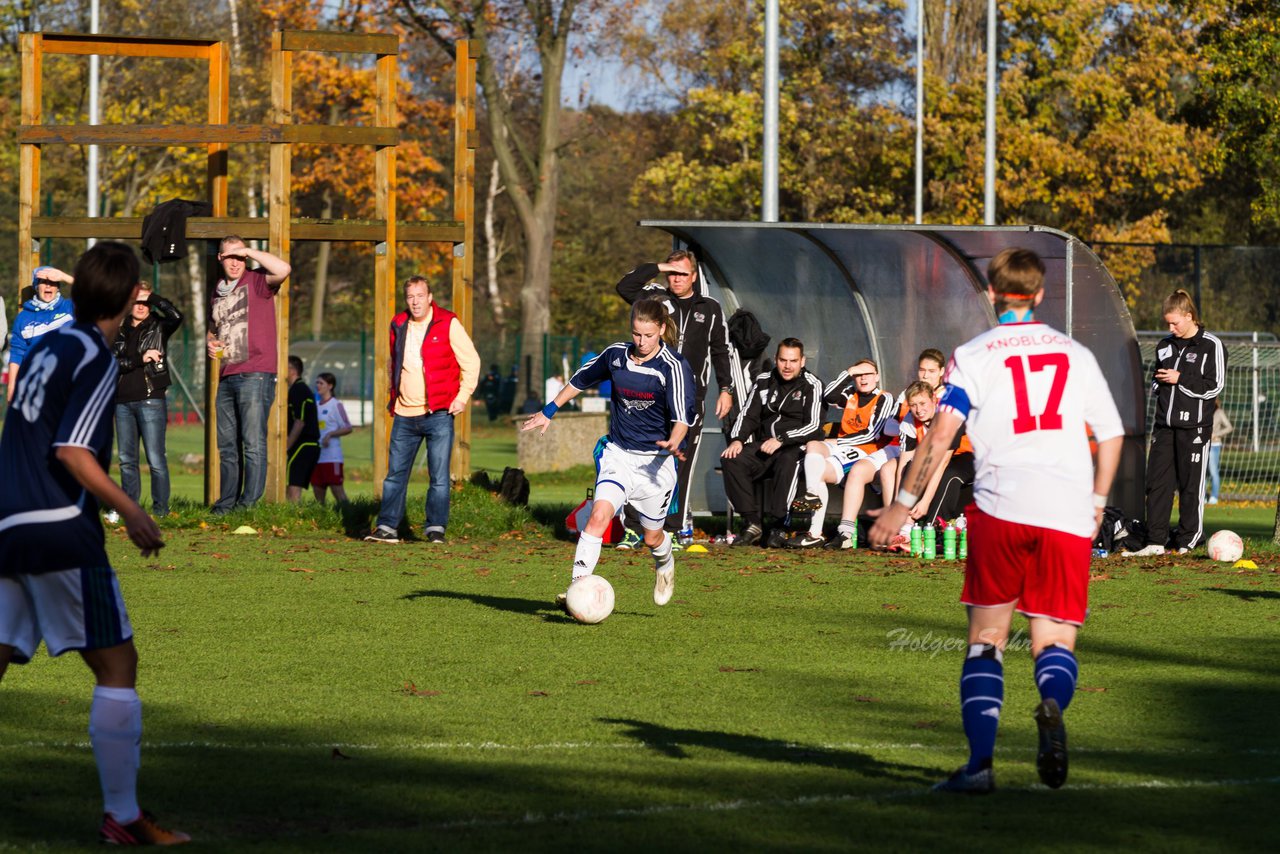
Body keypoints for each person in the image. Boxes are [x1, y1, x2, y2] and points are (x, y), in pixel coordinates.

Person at [870, 248, 1124, 794]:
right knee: (1054, 638)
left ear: (991, 294)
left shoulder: (975, 354)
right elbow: (1112, 433)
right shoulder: (1075, 354)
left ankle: (980, 767)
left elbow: (940, 436)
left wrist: (900, 503)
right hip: (1066, 510)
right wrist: (1099, 499)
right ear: (1037, 295)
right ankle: (1052, 703)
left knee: (986, 638)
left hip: (1002, 507)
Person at [0, 242, 189, 844]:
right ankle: (123, 816)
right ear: (131, 291)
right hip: (59, 527)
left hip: (7, 522)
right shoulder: (95, 357)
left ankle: (124, 816)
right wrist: (131, 509)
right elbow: (72, 451)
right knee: (116, 663)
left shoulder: (46, 346)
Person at [521, 297, 695, 607]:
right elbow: (580, 380)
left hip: (655, 465)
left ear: (662, 329)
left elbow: (682, 417)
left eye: (648, 335)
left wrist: (675, 441)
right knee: (599, 516)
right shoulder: (616, 355)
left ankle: (665, 563)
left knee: (652, 537)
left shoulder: (673, 367)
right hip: (618, 454)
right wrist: (549, 410)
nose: (641, 342)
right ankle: (577, 588)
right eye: (636, 334)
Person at [615, 250, 735, 547]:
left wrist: (726, 389)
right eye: (671, 272)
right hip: (651, 394)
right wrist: (657, 267)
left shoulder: (710, 308)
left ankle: (671, 528)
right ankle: (632, 527)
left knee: (680, 462)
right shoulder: (655, 298)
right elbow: (624, 287)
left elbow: (721, 351)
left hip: (689, 398)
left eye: (682, 273)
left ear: (694, 276)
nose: (676, 278)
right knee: (640, 459)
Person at [366, 276, 480, 544]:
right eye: (410, 297)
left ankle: (435, 528)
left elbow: (472, 362)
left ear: (430, 297)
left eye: (420, 296)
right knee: (395, 474)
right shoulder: (398, 323)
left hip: (439, 413)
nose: (415, 301)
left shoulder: (448, 322)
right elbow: (396, 364)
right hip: (404, 414)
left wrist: (462, 397)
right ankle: (387, 527)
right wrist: (393, 397)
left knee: (439, 476)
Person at [1123, 289, 1226, 556]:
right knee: (1157, 484)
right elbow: (1158, 382)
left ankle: (1187, 541)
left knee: (1191, 487)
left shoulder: (1211, 346)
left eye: (1175, 322)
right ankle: (1155, 541)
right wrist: (1161, 383)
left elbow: (1214, 387)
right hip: (1163, 427)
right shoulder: (1165, 345)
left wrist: (1180, 379)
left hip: (1194, 429)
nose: (1170, 328)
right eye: (1167, 323)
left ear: (1189, 317)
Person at [206, 235, 292, 513]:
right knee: (227, 446)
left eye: (240, 257)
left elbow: (284, 270)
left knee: (253, 443)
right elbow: (214, 328)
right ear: (220, 258)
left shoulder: (257, 281)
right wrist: (211, 343)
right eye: (230, 256)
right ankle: (226, 504)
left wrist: (250, 250)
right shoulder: (216, 291)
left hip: (256, 374)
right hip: (227, 374)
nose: (236, 262)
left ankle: (249, 505)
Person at [721, 338, 825, 548]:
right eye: (783, 360)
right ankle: (752, 523)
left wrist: (782, 439)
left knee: (788, 461)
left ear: (802, 361)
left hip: (795, 446)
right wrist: (737, 439)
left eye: (793, 361)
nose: (787, 366)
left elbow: (814, 426)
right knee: (732, 459)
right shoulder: (763, 380)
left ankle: (780, 526)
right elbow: (748, 415)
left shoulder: (812, 385)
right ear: (776, 359)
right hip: (765, 444)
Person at [788, 359, 896, 549]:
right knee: (813, 445)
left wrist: (837, 442)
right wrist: (848, 372)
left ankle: (815, 532)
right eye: (859, 375)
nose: (863, 379)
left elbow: (873, 434)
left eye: (868, 374)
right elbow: (829, 395)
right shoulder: (850, 394)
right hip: (842, 446)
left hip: (864, 451)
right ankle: (812, 495)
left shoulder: (884, 398)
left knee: (818, 472)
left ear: (877, 377)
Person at [112, 284, 184, 518]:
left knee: (155, 459)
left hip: (151, 399)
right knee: (126, 460)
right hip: (122, 402)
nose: (141, 306)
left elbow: (176, 315)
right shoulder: (117, 330)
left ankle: (161, 511)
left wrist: (151, 296)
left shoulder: (159, 326)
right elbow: (112, 364)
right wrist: (139, 359)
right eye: (136, 301)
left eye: (145, 303)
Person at [888, 381, 976, 527]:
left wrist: (925, 502)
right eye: (913, 405)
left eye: (923, 403)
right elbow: (904, 464)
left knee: (950, 474)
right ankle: (906, 527)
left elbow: (942, 464)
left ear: (934, 400)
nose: (918, 410)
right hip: (939, 458)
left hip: (969, 456)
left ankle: (934, 527)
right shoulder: (908, 422)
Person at [8, 265, 76, 402]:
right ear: (36, 286)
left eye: (52, 282)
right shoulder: (23, 317)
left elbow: (98, 293)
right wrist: (11, 386)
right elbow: (17, 353)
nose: (48, 286)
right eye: (43, 282)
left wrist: (65, 277)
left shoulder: (71, 307)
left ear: (58, 287)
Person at [312, 372, 354, 504]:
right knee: (317, 488)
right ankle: (321, 519)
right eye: (317, 383)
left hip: (332, 456)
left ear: (330, 386)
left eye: (321, 383)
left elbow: (348, 427)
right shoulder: (316, 405)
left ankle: (349, 515)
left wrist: (330, 434)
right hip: (317, 455)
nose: (318, 385)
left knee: (336, 489)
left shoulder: (335, 405)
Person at [284, 355, 320, 502]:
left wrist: (286, 446)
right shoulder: (295, 390)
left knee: (293, 486)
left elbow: (300, 422)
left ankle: (293, 520)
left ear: (292, 370)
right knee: (290, 486)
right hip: (304, 445)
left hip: (304, 444)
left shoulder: (298, 390)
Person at [1207, 400, 1232, 505]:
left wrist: (1216, 434)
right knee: (1202, 473)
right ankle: (1202, 496)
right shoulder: (1203, 410)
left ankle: (1214, 496)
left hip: (1214, 445)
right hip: (1202, 445)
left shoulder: (1219, 412)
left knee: (1213, 471)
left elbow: (1229, 427)